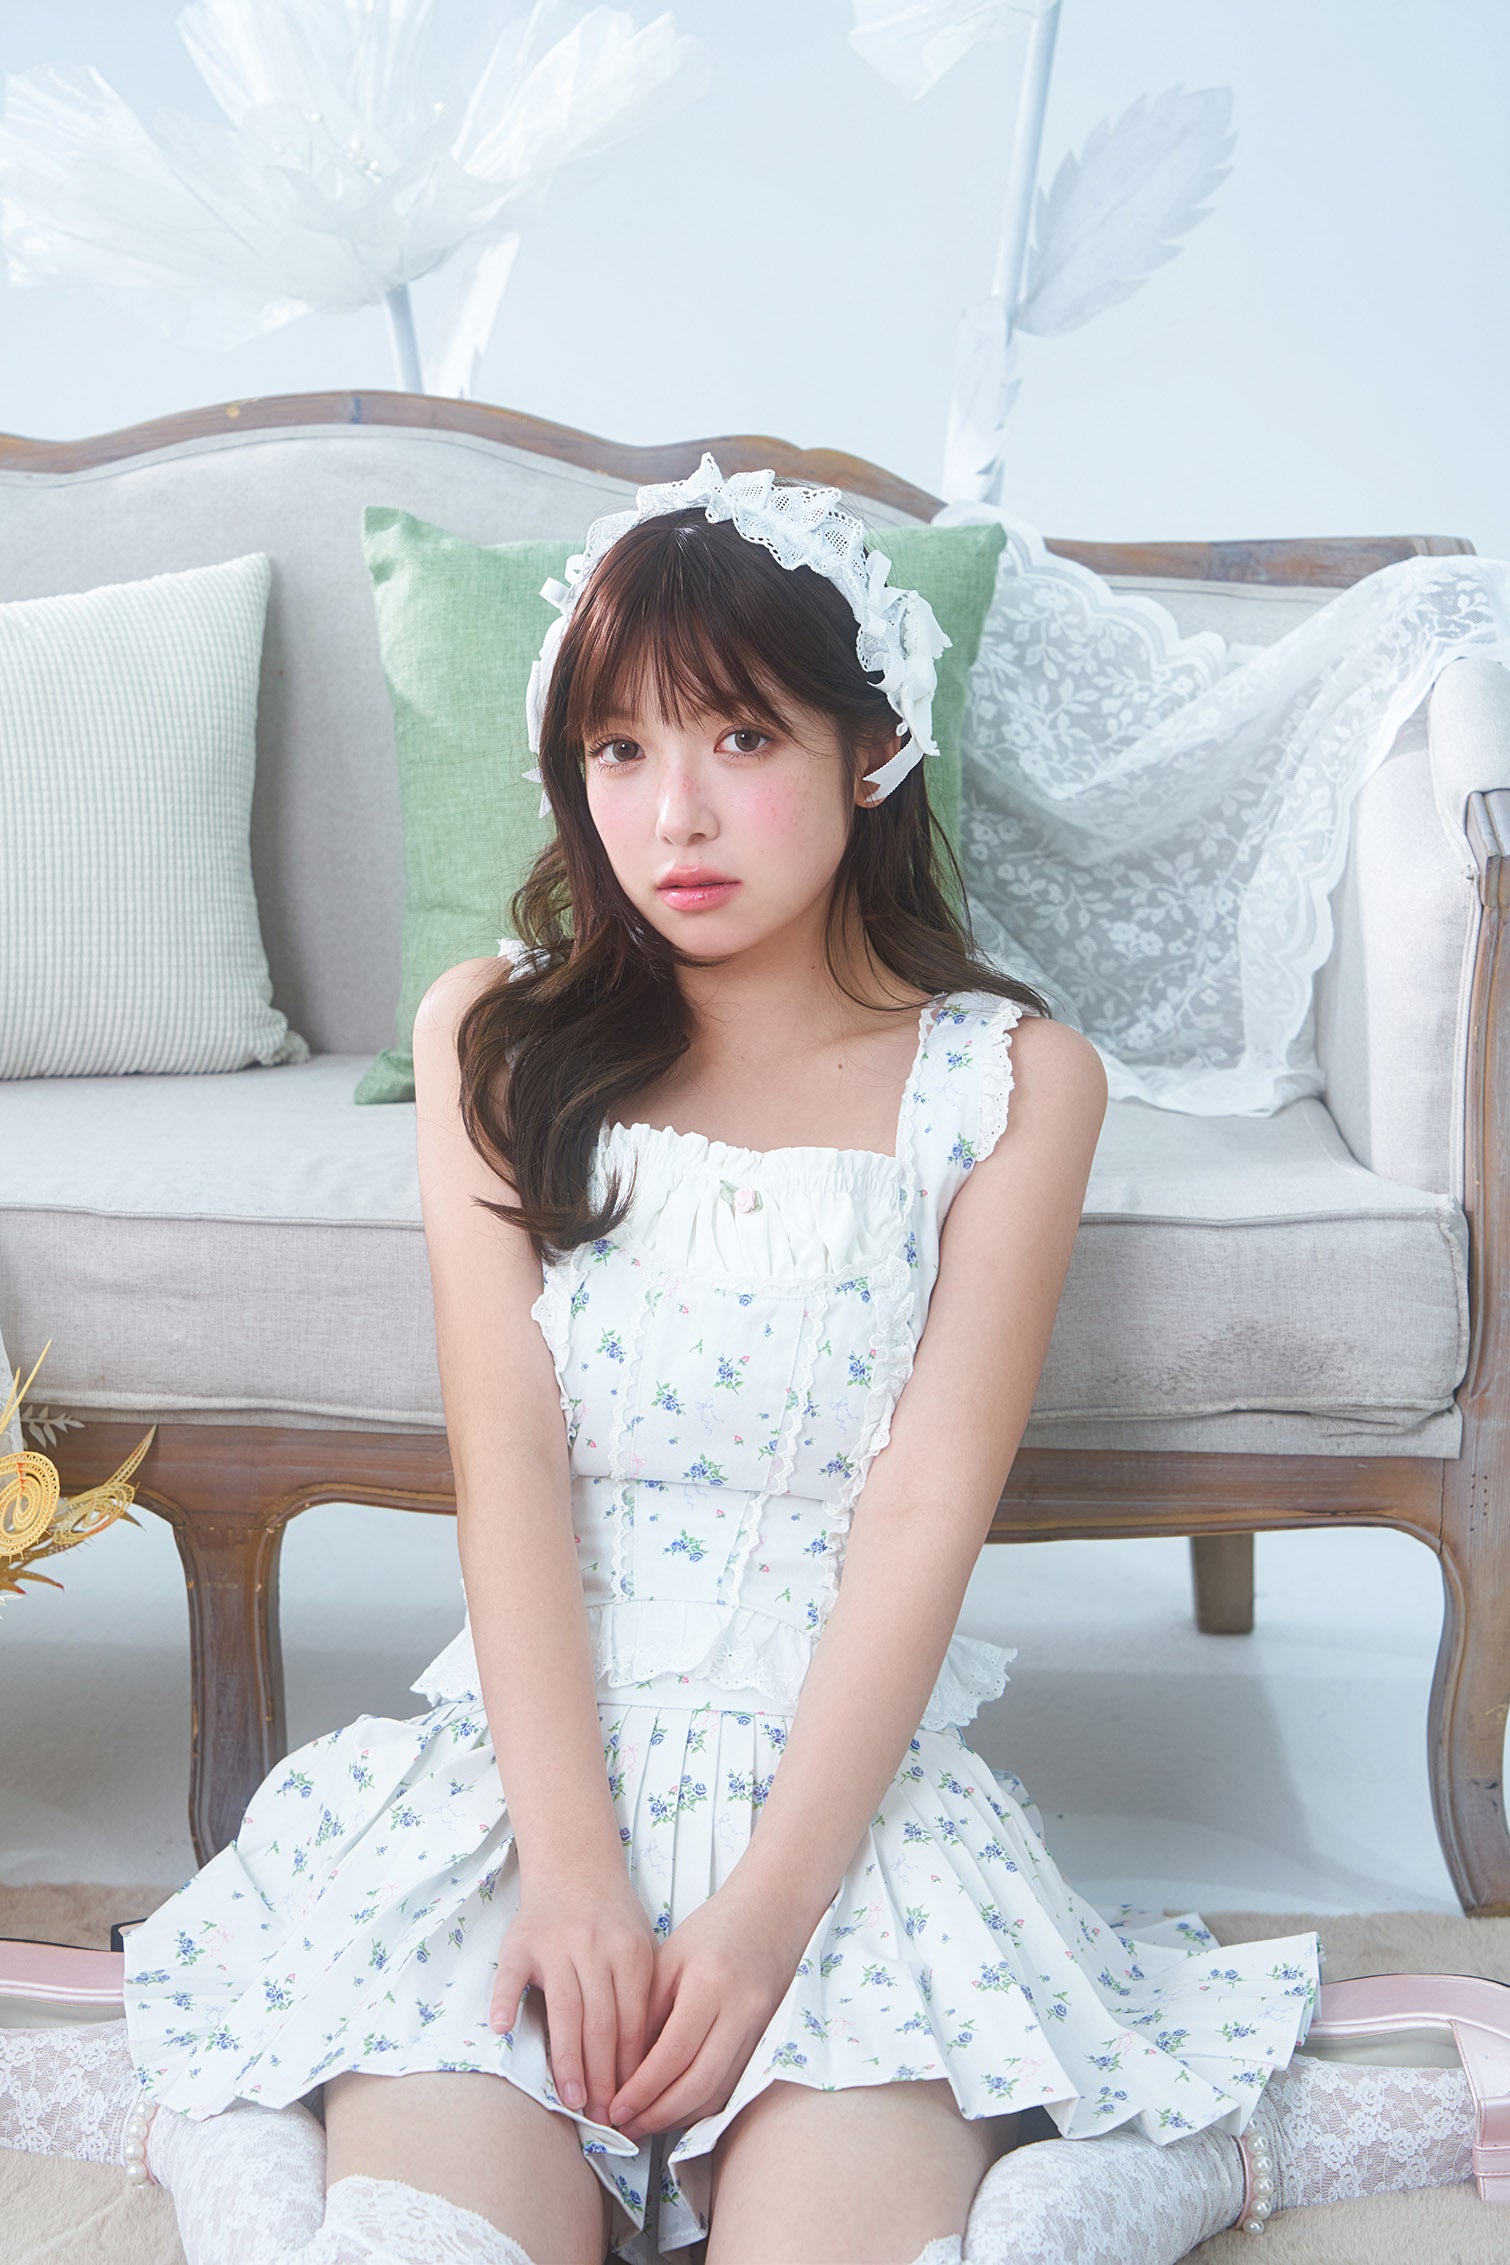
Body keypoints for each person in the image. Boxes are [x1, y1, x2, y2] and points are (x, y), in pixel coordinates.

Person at [1, 458, 1501, 2265]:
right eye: (617, 750)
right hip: (520, 1799)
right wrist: (571, 1879)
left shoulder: (1010, 1082)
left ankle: (1143, 2172)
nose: (675, 814)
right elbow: (509, 1459)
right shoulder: (495, 1039)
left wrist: (763, 1923)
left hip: (838, 1826)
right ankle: (233, 2125)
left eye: (738, 736)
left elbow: (925, 1508)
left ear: (869, 753)